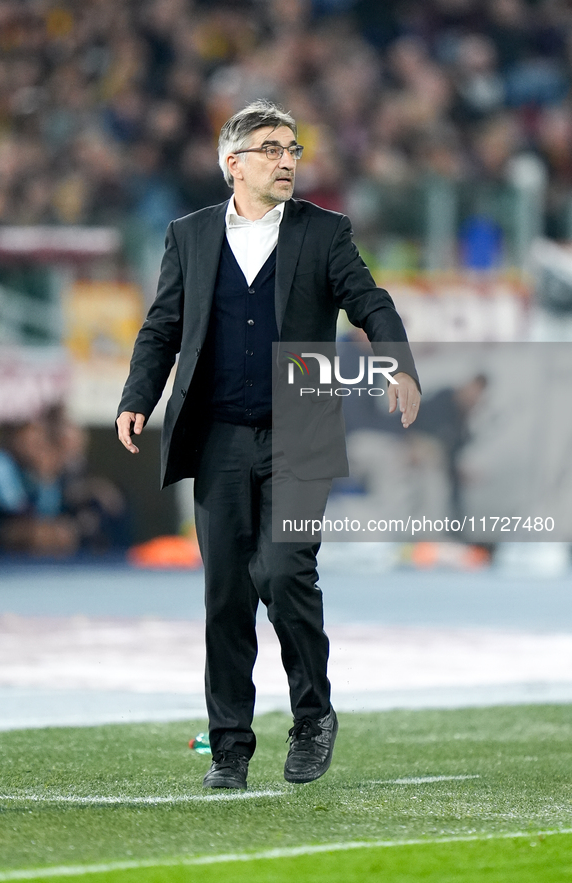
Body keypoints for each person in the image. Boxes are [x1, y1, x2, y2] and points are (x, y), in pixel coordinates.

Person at [116, 100, 421, 790]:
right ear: (234, 163)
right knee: (225, 594)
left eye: (293, 148)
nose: (287, 159)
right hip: (217, 438)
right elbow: (161, 326)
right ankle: (228, 746)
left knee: (284, 573)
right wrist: (138, 397)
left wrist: (397, 362)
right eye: (271, 148)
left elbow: (370, 300)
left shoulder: (325, 232)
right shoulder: (188, 235)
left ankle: (312, 717)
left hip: (300, 433)